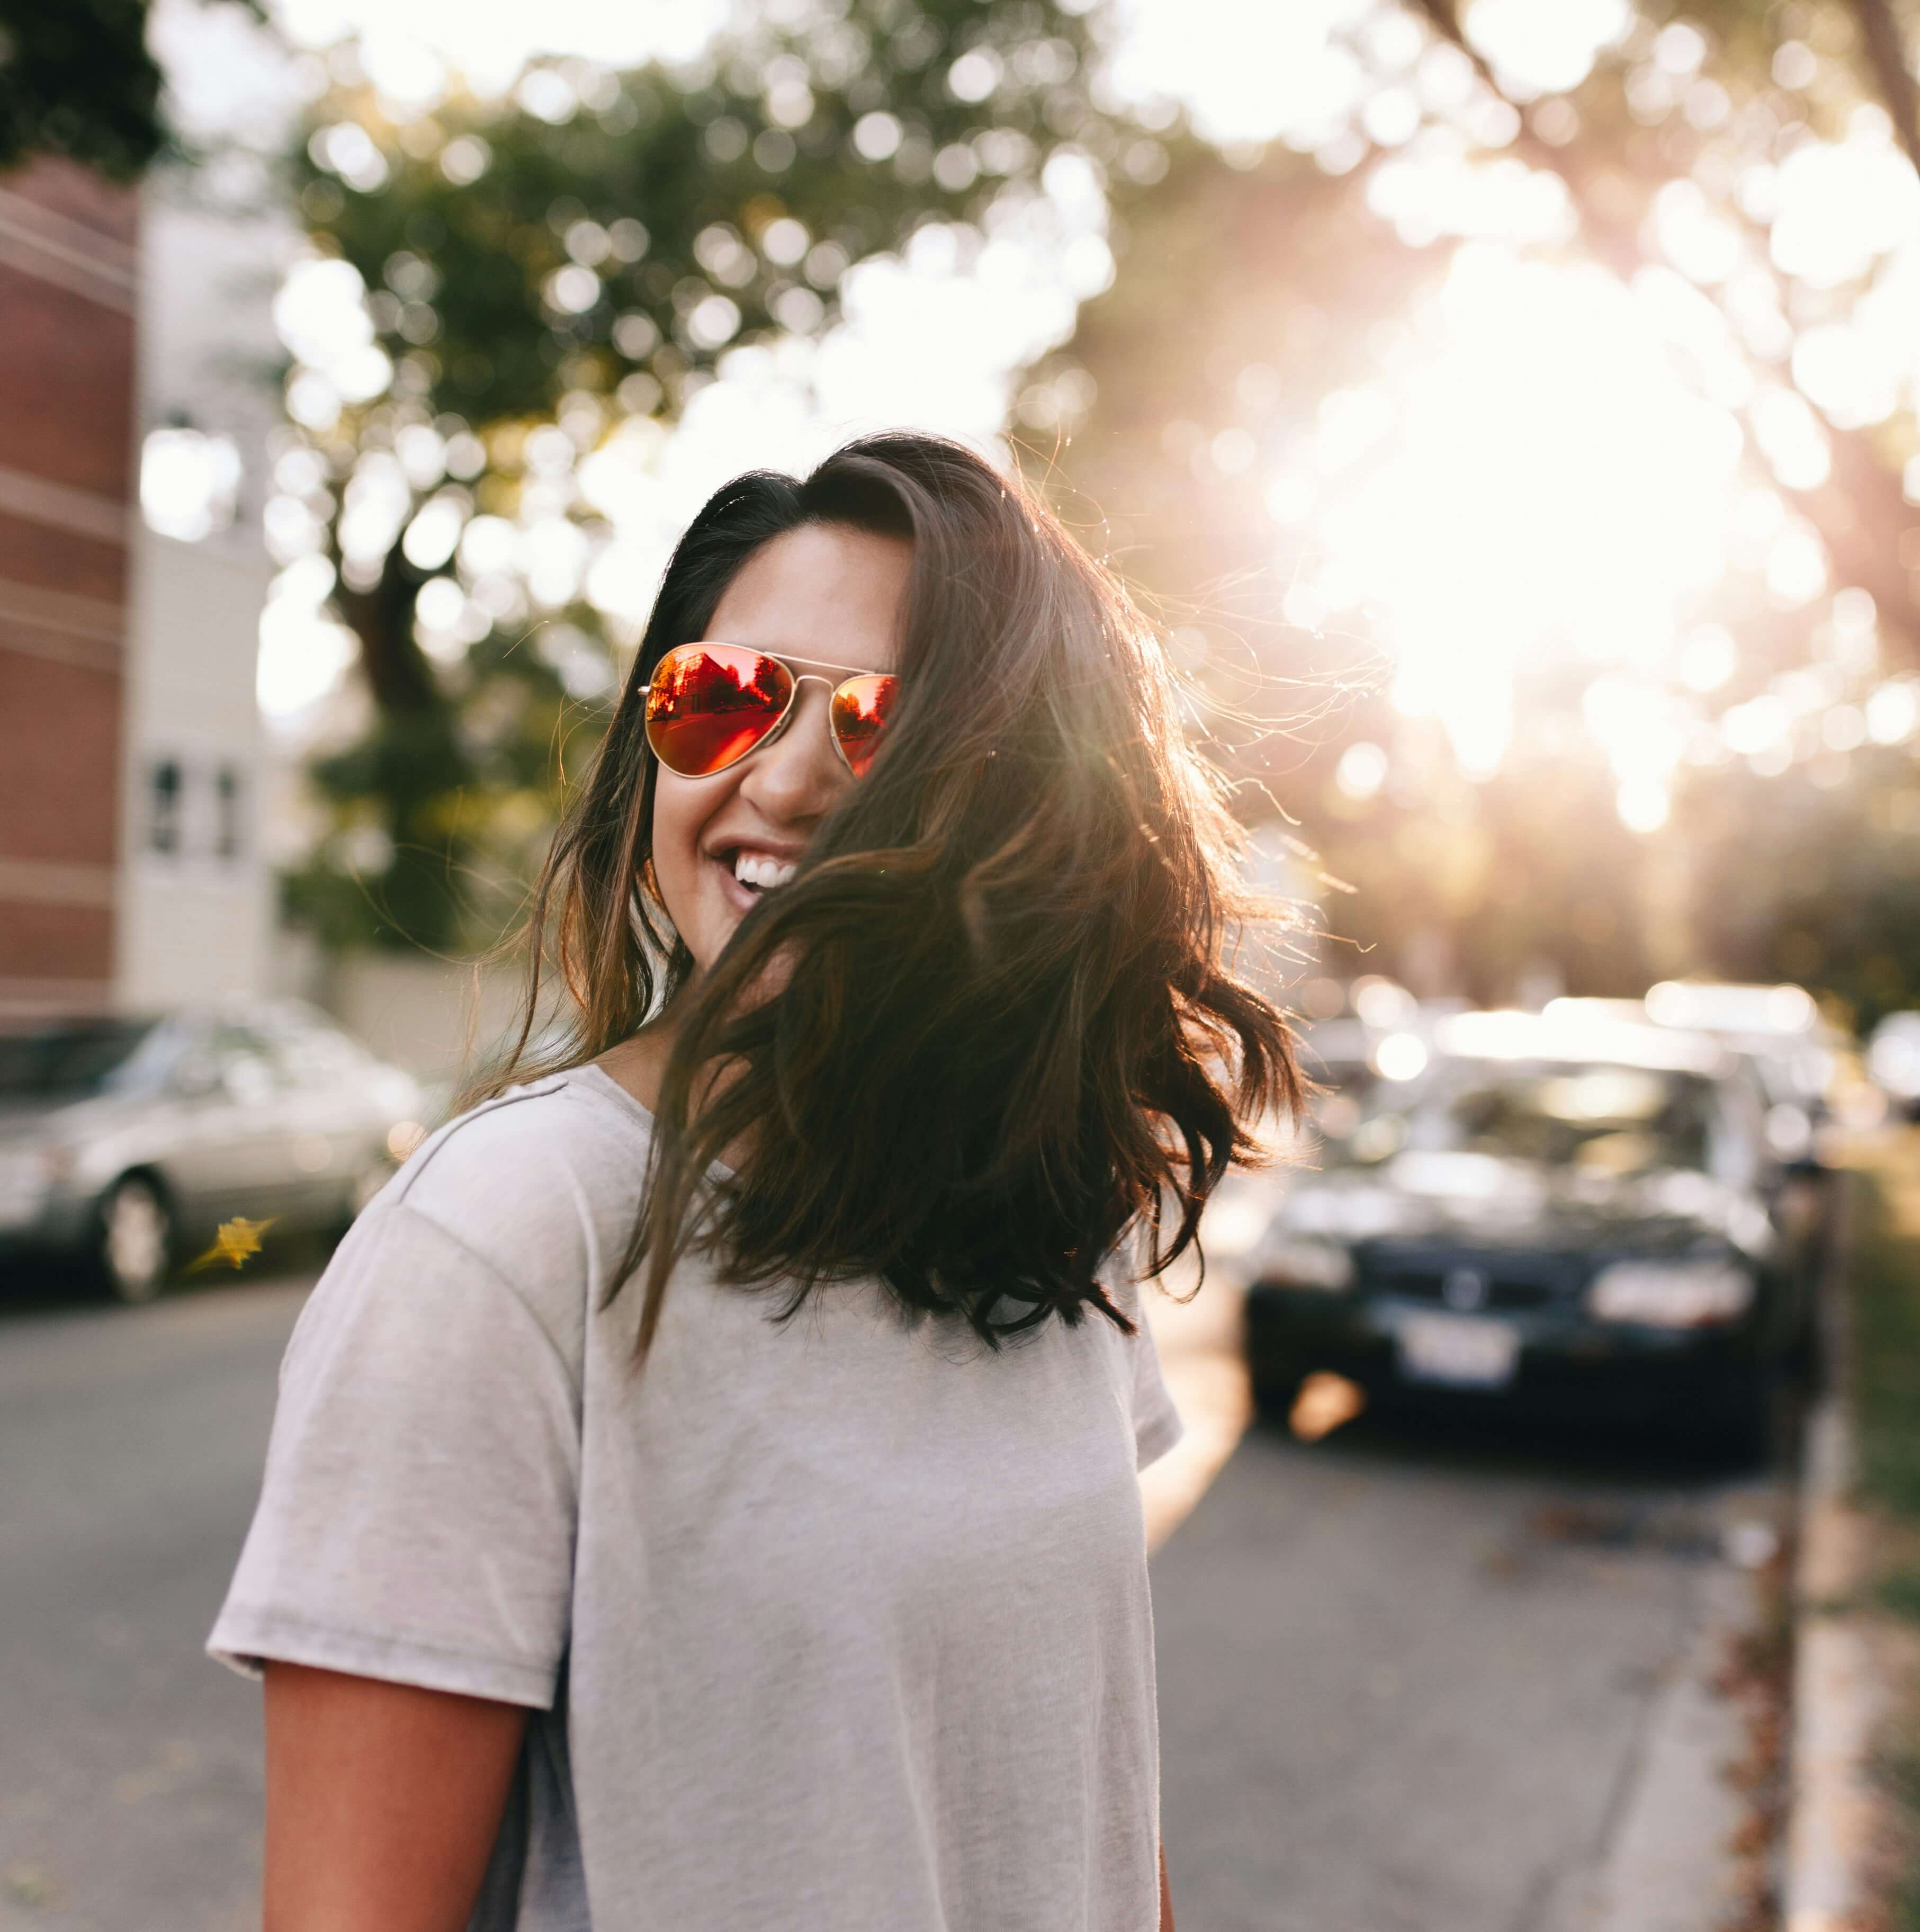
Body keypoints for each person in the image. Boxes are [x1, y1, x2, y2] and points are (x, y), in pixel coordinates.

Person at [210, 432, 1300, 1931]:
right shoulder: (504, 1238)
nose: (779, 782)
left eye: (879, 728)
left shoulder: (1049, 1216)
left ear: (1031, 803)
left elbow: (1086, 1802)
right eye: (722, 701)